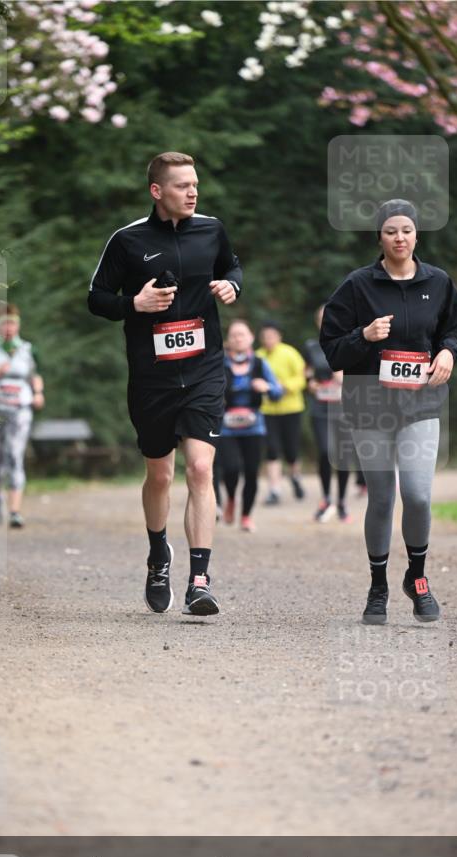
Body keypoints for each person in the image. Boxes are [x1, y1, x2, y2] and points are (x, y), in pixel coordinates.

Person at [87, 151, 242, 616]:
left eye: (195, 184)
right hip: (152, 376)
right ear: (158, 191)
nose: (192, 192)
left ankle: (199, 579)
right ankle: (159, 555)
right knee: (160, 474)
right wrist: (135, 303)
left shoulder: (211, 230)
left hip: (204, 368)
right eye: (182, 186)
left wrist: (232, 285)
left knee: (199, 468)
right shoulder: (128, 240)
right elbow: (97, 299)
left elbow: (231, 267)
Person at [320, 198, 457, 625]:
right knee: (382, 498)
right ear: (379, 237)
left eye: (406, 230)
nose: (399, 238)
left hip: (421, 403)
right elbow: (332, 350)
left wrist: (448, 354)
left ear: (417, 234)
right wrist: (364, 336)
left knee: (418, 495)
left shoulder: (438, 282)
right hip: (369, 404)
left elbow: (453, 329)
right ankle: (378, 585)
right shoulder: (357, 285)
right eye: (390, 231)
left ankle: (417, 579)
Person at [0, 304, 45, 528]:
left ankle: (15, 512)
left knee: (14, 455)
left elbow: (35, 375)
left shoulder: (27, 349)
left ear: (17, 325)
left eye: (12, 323)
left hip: (19, 411)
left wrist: (38, 393)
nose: (8, 327)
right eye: (4, 323)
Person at [218, 320, 282, 532]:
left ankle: (245, 516)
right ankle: (230, 500)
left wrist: (267, 387)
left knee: (252, 472)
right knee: (231, 468)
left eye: (242, 334)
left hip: (254, 427)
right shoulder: (220, 363)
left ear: (251, 337)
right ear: (229, 340)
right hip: (226, 426)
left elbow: (277, 392)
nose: (238, 338)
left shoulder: (260, 364)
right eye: (234, 335)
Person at [304, 307, 351, 523]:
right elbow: (306, 374)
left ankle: (342, 502)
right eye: (322, 319)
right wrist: (310, 383)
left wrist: (344, 377)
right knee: (324, 451)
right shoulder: (312, 347)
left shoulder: (349, 342)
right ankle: (325, 498)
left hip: (344, 407)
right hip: (320, 407)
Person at [256, 322, 306, 505]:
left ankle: (295, 477)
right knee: (272, 449)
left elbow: (302, 379)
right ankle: (274, 490)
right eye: (265, 336)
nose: (268, 340)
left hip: (291, 409)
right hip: (266, 410)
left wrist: (283, 386)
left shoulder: (290, 353)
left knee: (291, 450)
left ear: (279, 336)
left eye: (271, 336)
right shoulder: (258, 356)